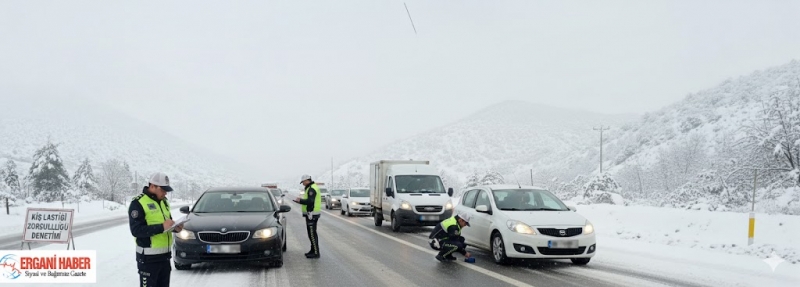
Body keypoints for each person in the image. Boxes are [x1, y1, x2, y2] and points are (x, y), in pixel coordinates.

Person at [129, 172, 184, 287]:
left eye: (166, 190)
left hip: (164, 258)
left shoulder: (164, 202)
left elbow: (167, 224)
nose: (165, 193)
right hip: (148, 260)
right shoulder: (138, 203)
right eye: (163, 190)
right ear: (152, 186)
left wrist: (175, 228)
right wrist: (161, 227)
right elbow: (136, 230)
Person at [293, 174, 322, 258]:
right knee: (311, 233)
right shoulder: (310, 187)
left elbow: (310, 201)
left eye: (303, 182)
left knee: (312, 234)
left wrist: (300, 201)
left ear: (307, 180)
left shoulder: (312, 189)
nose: (303, 184)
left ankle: (316, 252)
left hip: (312, 214)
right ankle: (313, 250)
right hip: (311, 213)